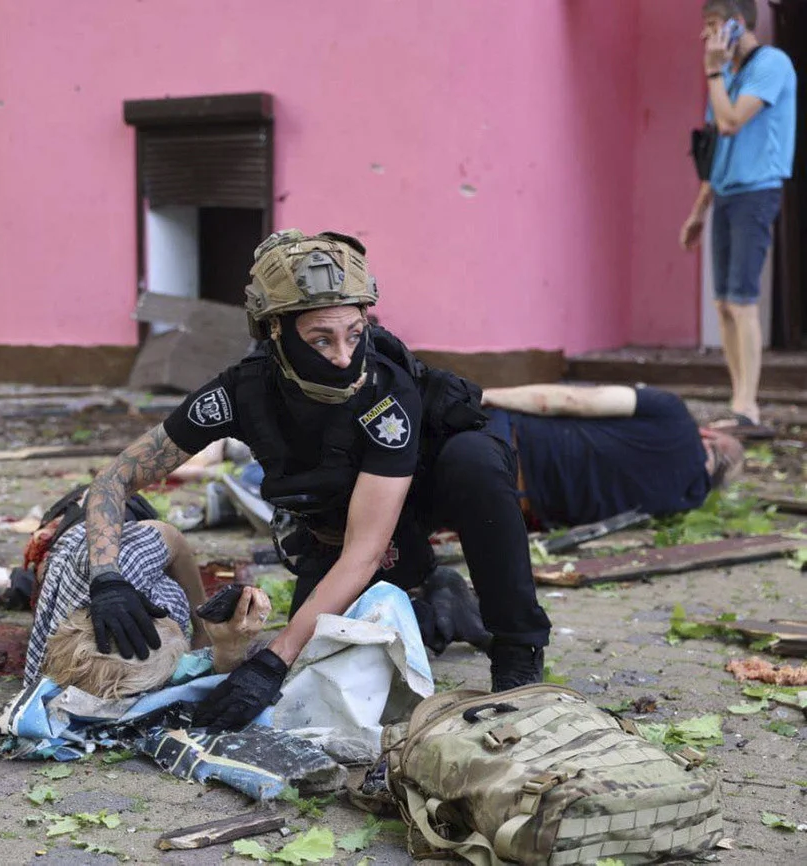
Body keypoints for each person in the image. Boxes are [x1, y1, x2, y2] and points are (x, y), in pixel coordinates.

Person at [80, 229, 551, 732]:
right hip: (336, 523)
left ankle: (517, 647)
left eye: (354, 333)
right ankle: (441, 605)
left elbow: (365, 552)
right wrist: (107, 579)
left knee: (476, 460)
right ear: (276, 331)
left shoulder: (387, 389)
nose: (345, 357)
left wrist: (271, 660)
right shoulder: (241, 392)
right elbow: (114, 480)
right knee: (325, 663)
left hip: (415, 500)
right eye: (321, 340)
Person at [679, 0, 797, 431]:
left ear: (737, 24)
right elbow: (716, 149)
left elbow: (731, 122)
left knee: (743, 301)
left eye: (713, 24)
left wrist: (713, 73)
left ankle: (748, 407)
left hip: (756, 192)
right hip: (726, 194)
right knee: (724, 303)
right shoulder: (726, 75)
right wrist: (698, 211)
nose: (705, 35)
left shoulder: (772, 64)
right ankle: (737, 399)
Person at [23, 513, 271, 698]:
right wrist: (227, 650)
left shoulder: (122, 559)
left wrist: (201, 627)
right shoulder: (62, 684)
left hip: (104, 519)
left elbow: (173, 538)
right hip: (61, 563)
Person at [481, 384, 746, 530]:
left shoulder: (673, 412)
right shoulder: (682, 503)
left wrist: (485, 395)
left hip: (505, 441)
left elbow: (575, 400)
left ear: (709, 435)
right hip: (515, 509)